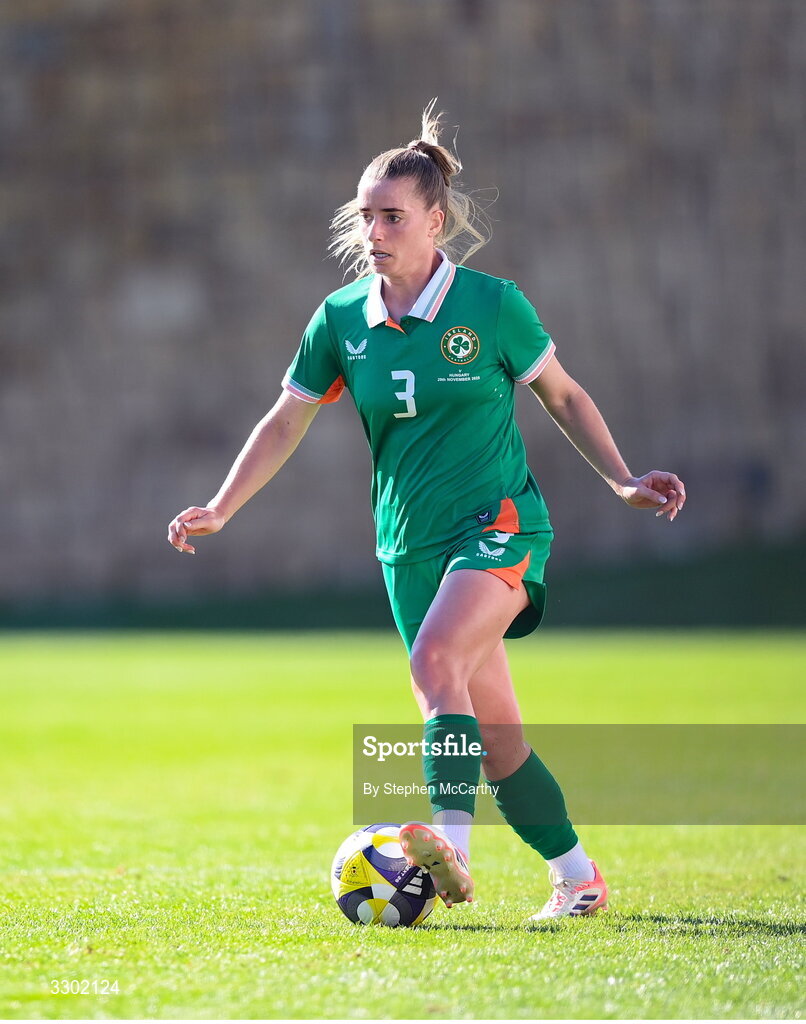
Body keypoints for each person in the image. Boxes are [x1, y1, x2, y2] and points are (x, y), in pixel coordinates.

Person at [167, 103, 686, 922]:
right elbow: (285, 420)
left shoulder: (492, 305)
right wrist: (222, 507)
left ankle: (450, 852)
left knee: (435, 661)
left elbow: (565, 395)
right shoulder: (340, 320)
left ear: (433, 220)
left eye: (392, 216)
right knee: (501, 742)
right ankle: (579, 878)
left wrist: (621, 479)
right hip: (406, 547)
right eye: (365, 214)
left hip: (501, 524)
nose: (374, 230)